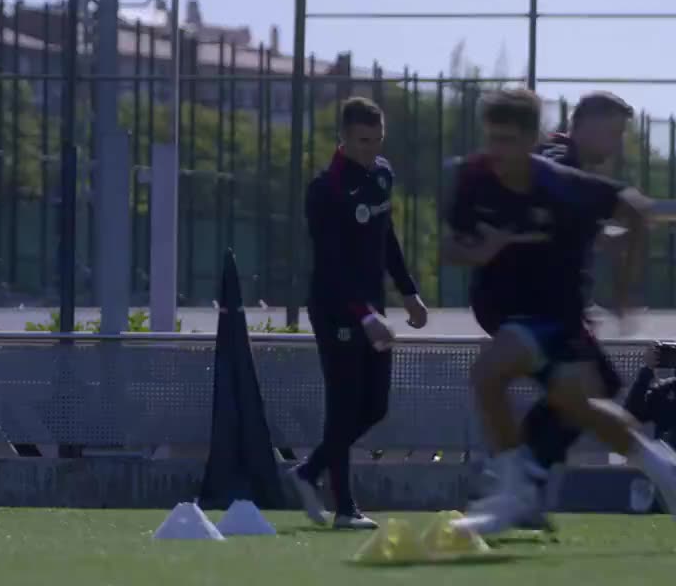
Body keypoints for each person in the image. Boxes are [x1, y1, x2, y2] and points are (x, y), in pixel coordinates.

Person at [442, 88, 676, 536]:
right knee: (579, 404)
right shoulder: (474, 177)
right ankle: (659, 468)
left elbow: (637, 209)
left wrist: (625, 291)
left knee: (494, 376)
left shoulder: (561, 183)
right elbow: (453, 247)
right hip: (509, 312)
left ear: (531, 140)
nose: (498, 152)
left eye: (509, 141)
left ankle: (515, 490)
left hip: (554, 313)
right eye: (493, 138)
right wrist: (479, 251)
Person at [486, 91, 635, 529]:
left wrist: (596, 235)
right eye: (614, 132)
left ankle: (523, 474)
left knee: (585, 389)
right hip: (533, 307)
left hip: (539, 305)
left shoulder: (567, 164)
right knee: (599, 385)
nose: (617, 144)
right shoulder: (558, 155)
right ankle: (521, 469)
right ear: (586, 125)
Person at [288, 97, 430, 530]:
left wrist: (408, 292)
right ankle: (345, 508)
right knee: (345, 405)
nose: (372, 148)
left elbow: (386, 240)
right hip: (336, 310)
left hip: (373, 310)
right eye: (363, 141)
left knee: (375, 407)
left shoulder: (382, 176)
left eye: (378, 139)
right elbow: (333, 264)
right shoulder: (326, 190)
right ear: (345, 139)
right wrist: (362, 313)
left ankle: (309, 473)